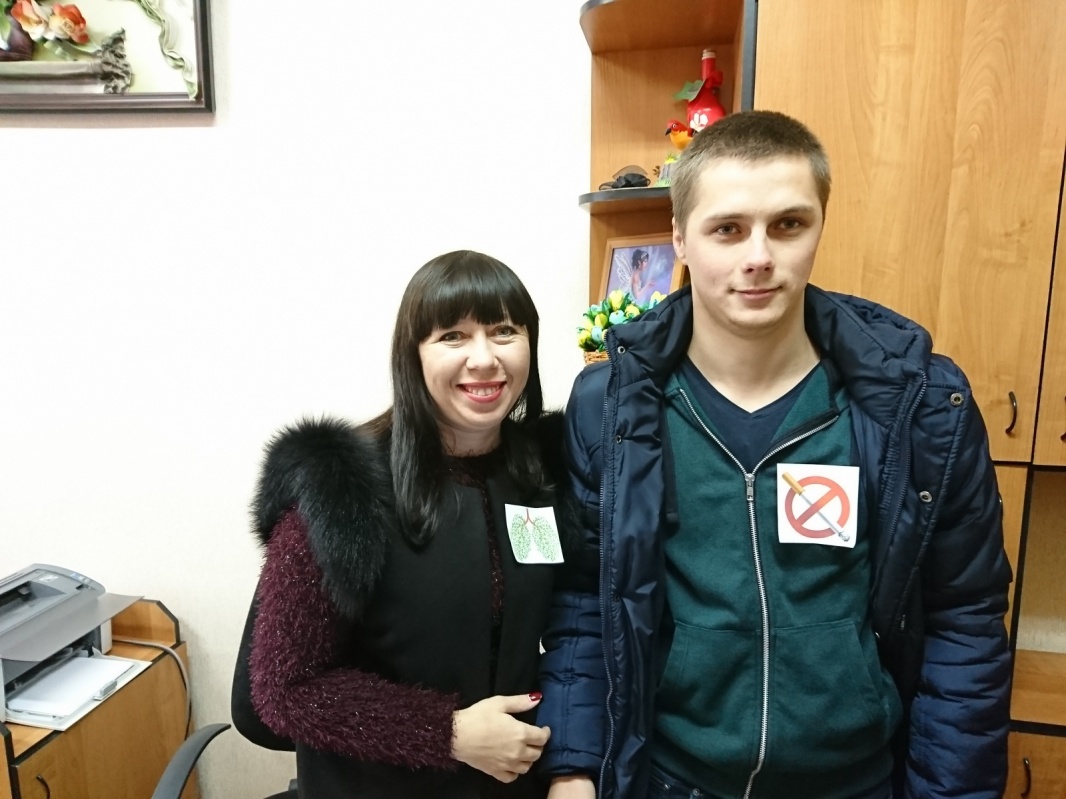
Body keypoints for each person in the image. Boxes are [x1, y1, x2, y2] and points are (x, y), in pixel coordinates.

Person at [536, 111, 1012, 799]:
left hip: (856, 783)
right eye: (727, 229)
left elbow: (964, 621)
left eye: (788, 224)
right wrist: (574, 769)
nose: (758, 256)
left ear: (820, 224)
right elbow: (585, 601)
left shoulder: (921, 408)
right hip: (673, 780)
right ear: (680, 237)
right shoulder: (609, 408)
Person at [231, 250, 575, 798]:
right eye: (452, 337)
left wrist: (573, 767)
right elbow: (278, 693)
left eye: (504, 331)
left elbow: (576, 631)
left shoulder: (549, 469)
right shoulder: (342, 485)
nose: (484, 359)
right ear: (412, 355)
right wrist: (447, 733)